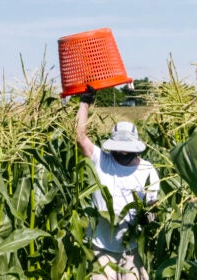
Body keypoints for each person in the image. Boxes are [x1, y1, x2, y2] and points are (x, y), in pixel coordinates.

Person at [76, 85, 160, 280]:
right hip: (101, 248)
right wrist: (85, 101)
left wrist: (149, 218)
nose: (122, 153)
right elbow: (80, 137)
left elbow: (153, 207)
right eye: (119, 149)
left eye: (126, 150)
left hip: (130, 249)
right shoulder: (101, 160)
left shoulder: (147, 171)